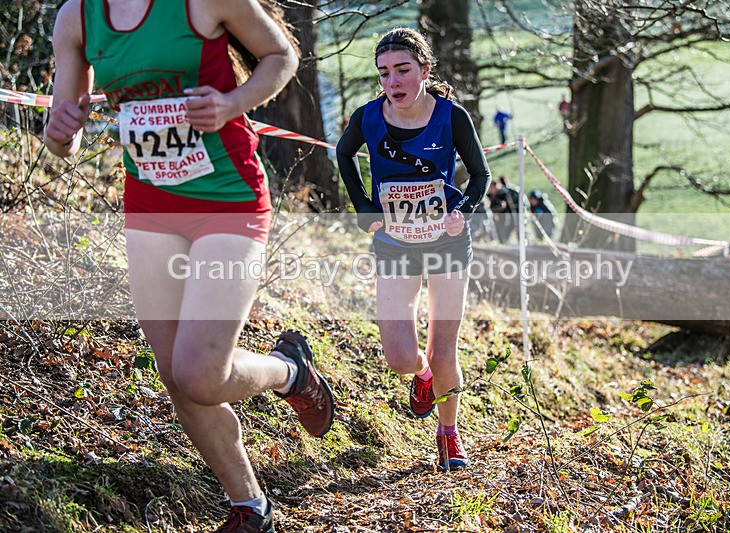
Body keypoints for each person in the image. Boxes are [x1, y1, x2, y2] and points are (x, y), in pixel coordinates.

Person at [43, 1, 335, 532]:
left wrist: (231, 103)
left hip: (228, 200)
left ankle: (290, 370)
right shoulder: (76, 18)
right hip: (152, 209)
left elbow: (281, 56)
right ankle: (250, 507)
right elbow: (63, 138)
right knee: (177, 378)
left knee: (200, 372)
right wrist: (60, 128)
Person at [336, 27, 491, 471]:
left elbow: (479, 176)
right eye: (384, 73)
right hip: (394, 243)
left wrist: (462, 207)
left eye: (403, 71)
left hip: (446, 242)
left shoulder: (451, 116)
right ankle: (422, 378)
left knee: (445, 351)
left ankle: (449, 435)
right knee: (400, 356)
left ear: (424, 69)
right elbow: (344, 157)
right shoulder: (367, 117)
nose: (393, 82)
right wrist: (364, 205)